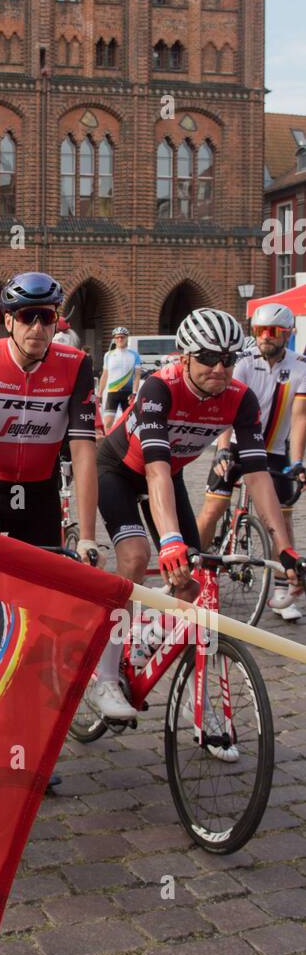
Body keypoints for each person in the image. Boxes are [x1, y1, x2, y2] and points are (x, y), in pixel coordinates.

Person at [95, 307, 305, 732]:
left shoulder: (240, 398)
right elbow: (154, 467)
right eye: (208, 357)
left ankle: (189, 686)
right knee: (136, 558)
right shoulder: (160, 387)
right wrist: (170, 539)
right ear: (183, 356)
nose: (219, 368)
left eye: (229, 359)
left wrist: (284, 547)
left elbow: (259, 475)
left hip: (166, 474)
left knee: (194, 582)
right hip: (118, 470)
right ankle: (103, 676)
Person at [0, 272, 101, 558]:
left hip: (40, 492)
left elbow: (84, 452)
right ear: (8, 321)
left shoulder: (76, 364)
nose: (38, 328)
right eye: (28, 317)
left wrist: (88, 538)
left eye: (47, 317)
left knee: (40, 589)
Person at [196, 303, 306, 621]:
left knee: (282, 519)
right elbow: (228, 407)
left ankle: (283, 585)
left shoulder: (300, 366)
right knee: (213, 509)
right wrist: (223, 450)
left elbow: (299, 420)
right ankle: (196, 568)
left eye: (273, 332)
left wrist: (297, 463)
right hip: (234, 443)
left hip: (272, 449)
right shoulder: (242, 361)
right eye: (260, 331)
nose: (265, 338)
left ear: (288, 333)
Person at [97, 326, 142, 434]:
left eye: (122, 337)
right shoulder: (108, 355)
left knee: (129, 423)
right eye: (117, 337)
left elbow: (137, 376)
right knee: (107, 423)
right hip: (112, 393)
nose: (120, 339)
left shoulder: (134, 355)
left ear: (126, 338)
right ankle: (108, 447)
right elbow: (105, 375)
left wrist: (135, 393)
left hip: (128, 394)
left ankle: (126, 446)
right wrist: (99, 394)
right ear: (114, 339)